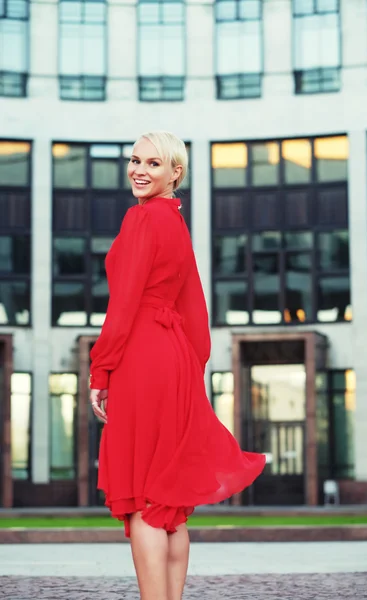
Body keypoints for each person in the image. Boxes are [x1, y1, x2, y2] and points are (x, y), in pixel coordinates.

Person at [89, 131, 266, 600]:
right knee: (168, 504)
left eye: (152, 163)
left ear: (175, 173)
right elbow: (195, 309)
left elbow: (123, 304)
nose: (139, 170)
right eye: (134, 160)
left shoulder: (142, 219)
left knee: (143, 499)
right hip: (174, 359)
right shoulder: (175, 224)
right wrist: (188, 368)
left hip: (141, 358)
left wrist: (100, 370)